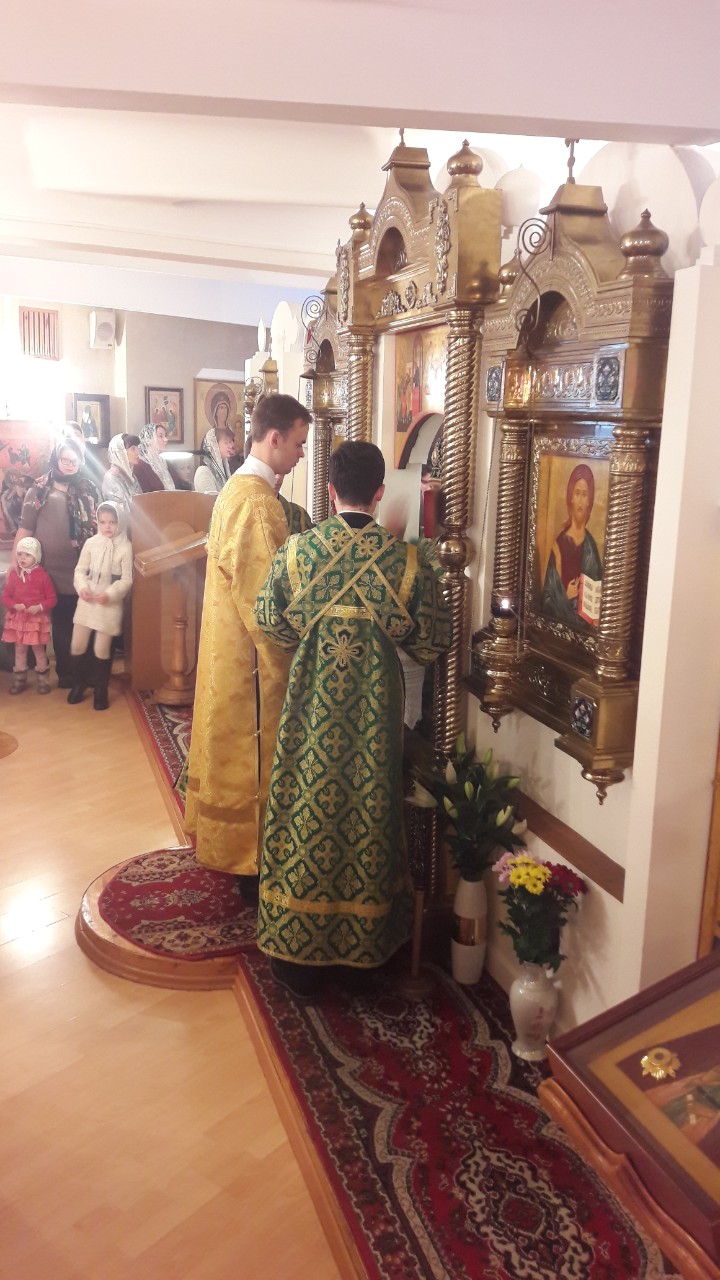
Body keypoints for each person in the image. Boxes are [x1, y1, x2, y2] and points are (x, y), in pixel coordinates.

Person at [254, 440, 452, 999]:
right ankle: (362, 954)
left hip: (310, 712)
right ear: (380, 492)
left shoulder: (298, 553)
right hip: (373, 720)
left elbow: (271, 622)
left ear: (330, 490)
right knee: (369, 811)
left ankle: (297, 956)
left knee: (305, 807)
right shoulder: (405, 562)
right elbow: (432, 641)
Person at [184, 393, 311, 901]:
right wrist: (299, 661)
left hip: (227, 651)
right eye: (298, 443)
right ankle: (252, 867)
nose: (301, 454)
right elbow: (268, 606)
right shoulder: (258, 504)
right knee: (256, 761)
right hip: (251, 666)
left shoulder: (234, 489)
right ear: (274, 438)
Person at [15, 437, 96, 688]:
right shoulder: (38, 490)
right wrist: (18, 567)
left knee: (86, 623)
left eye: (74, 460)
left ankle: (87, 674)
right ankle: (68, 674)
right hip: (52, 573)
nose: (70, 464)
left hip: (86, 571)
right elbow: (25, 529)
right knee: (61, 625)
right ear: (56, 459)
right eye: (65, 459)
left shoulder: (89, 489)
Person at [67, 502, 133, 710]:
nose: (107, 527)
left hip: (108, 604)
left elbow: (127, 580)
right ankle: (79, 684)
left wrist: (110, 594)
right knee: (77, 644)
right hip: (87, 600)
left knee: (101, 648)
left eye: (112, 522)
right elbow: (80, 570)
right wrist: (82, 587)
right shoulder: (91, 543)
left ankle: (100, 690)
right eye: (103, 522)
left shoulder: (125, 547)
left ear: (119, 522)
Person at [540, 463, 602, 627]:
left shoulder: (591, 547)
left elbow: (598, 592)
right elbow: (546, 600)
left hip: (586, 629)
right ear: (571, 498)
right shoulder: (559, 546)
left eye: (585, 495)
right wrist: (565, 596)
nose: (580, 500)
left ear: (589, 501)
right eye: (577, 493)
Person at [2, 536, 57, 694]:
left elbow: (52, 599)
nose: (23, 558)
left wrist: (39, 607)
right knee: (19, 650)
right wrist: (14, 605)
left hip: (36, 621)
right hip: (19, 620)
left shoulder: (43, 576)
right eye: (20, 554)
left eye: (27, 555)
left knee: (39, 650)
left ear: (36, 556)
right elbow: (6, 597)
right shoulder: (14, 575)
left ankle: (43, 680)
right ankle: (20, 680)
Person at [102, 434, 142, 526]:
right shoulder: (111, 477)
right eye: (133, 448)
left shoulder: (131, 475)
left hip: (137, 526)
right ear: (121, 452)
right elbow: (119, 511)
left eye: (137, 448)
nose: (138, 452)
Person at [133, 423, 176, 492]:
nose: (166, 439)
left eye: (165, 436)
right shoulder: (140, 465)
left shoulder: (164, 462)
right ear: (148, 439)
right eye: (161, 436)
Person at [193, 428, 236, 495]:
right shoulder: (203, 472)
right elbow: (209, 500)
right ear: (214, 445)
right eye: (226, 442)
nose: (231, 446)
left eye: (231, 442)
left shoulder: (224, 469)